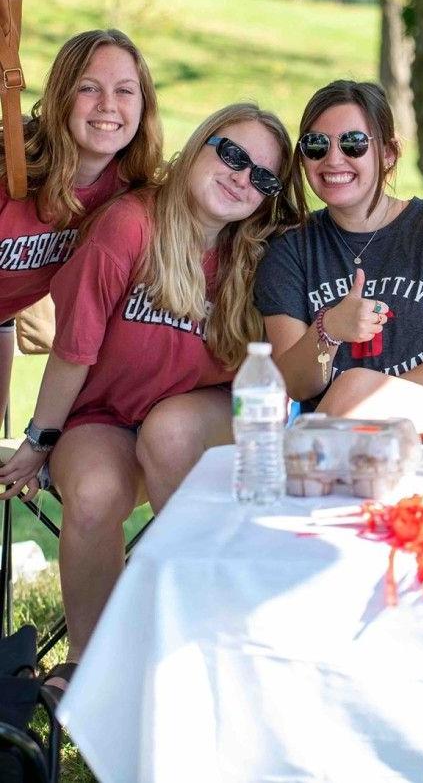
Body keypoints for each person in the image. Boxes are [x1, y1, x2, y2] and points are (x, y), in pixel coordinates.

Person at [0, 103, 298, 695]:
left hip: (204, 414)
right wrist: (39, 440)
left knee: (168, 429)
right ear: (197, 146)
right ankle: (94, 670)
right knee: (90, 492)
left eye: (262, 177)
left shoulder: (264, 251)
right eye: (231, 154)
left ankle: (208, 639)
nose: (241, 178)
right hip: (103, 417)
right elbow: (74, 348)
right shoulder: (130, 225)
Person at [255, 79, 423, 436]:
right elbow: (296, 385)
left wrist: (368, 399)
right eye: (316, 145)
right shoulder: (291, 250)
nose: (333, 159)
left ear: (389, 153)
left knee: (351, 390)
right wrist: (328, 331)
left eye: (353, 143)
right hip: (343, 441)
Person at [0, 28, 162, 429]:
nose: (108, 105)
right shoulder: (9, 167)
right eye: (89, 88)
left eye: (125, 91)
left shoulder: (132, 193)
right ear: (61, 97)